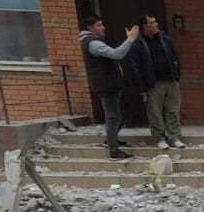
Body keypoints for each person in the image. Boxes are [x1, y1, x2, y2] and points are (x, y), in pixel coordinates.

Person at [78, 15, 139, 159]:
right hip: (107, 87)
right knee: (112, 117)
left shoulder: (95, 41)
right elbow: (116, 54)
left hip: (113, 85)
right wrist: (130, 39)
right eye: (99, 25)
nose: (103, 27)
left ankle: (111, 139)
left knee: (124, 112)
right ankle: (113, 150)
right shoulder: (93, 43)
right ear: (90, 28)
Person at [130, 14, 185, 150]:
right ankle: (159, 137)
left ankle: (174, 137)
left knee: (173, 110)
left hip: (170, 80)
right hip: (153, 83)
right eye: (152, 22)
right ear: (145, 26)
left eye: (155, 21)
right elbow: (135, 66)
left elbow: (174, 56)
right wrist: (142, 86)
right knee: (155, 112)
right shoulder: (138, 43)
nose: (156, 24)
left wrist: (176, 74)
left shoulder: (164, 38)